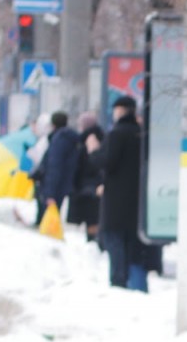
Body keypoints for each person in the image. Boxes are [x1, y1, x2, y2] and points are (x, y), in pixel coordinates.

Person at [100, 96, 152, 290]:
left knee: (115, 242)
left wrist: (94, 151)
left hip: (116, 200)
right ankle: (136, 284)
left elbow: (108, 161)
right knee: (133, 245)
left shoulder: (116, 134)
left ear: (120, 111)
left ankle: (118, 283)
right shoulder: (142, 134)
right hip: (138, 200)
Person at [36, 110, 80, 225]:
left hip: (56, 186)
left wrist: (50, 193)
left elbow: (54, 167)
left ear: (53, 124)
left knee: (50, 219)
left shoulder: (59, 140)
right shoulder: (69, 138)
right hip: (63, 183)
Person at [69, 114, 104, 242]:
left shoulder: (88, 140)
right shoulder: (100, 137)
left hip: (89, 184)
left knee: (91, 216)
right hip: (93, 184)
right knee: (93, 216)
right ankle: (93, 240)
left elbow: (90, 162)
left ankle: (93, 240)